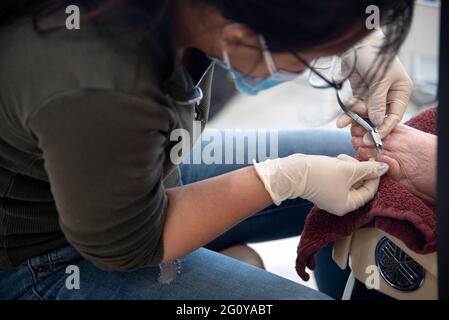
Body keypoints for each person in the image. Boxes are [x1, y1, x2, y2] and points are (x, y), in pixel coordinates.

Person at [0, 0, 414, 299]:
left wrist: (354, 34)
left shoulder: (198, 14)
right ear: (240, 36)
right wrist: (285, 179)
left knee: (364, 160)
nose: (327, 61)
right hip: (53, 254)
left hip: (133, 163)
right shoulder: (100, 85)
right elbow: (127, 244)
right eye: (314, 59)